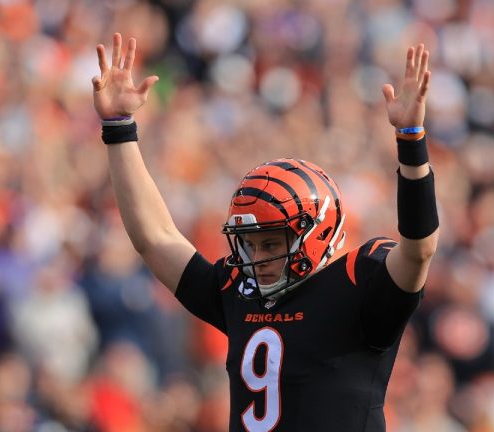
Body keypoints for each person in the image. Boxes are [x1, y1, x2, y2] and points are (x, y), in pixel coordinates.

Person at [93, 32, 439, 431]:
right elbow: (155, 238)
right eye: (251, 245)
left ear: (319, 232)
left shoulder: (357, 285)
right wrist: (119, 128)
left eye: (272, 243)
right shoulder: (239, 291)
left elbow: (420, 248)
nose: (258, 259)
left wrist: (411, 142)